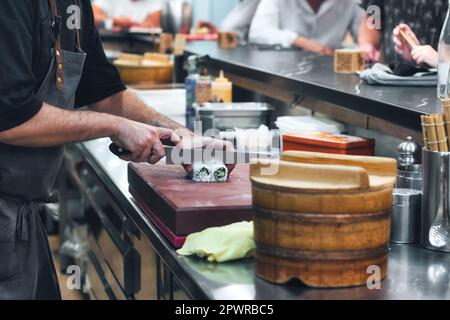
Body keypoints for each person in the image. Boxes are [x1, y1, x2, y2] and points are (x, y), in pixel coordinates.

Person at [0, 0, 231, 300]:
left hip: (21, 221)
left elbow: (104, 90)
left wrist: (183, 136)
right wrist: (116, 127)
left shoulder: (74, 6)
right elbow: (11, 118)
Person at [248, 0, 365, 54]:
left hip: (331, 70)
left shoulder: (353, 3)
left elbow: (365, 37)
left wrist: (366, 47)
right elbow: (258, 31)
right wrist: (300, 41)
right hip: (283, 72)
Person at [358, 0, 447, 65]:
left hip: (439, 81)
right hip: (390, 75)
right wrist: (368, 44)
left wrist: (441, 62)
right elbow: (375, 11)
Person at [92, 0, 163, 29]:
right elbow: (92, 16)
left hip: (144, 49)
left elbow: (154, 22)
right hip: (110, 47)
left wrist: (120, 25)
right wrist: (115, 22)